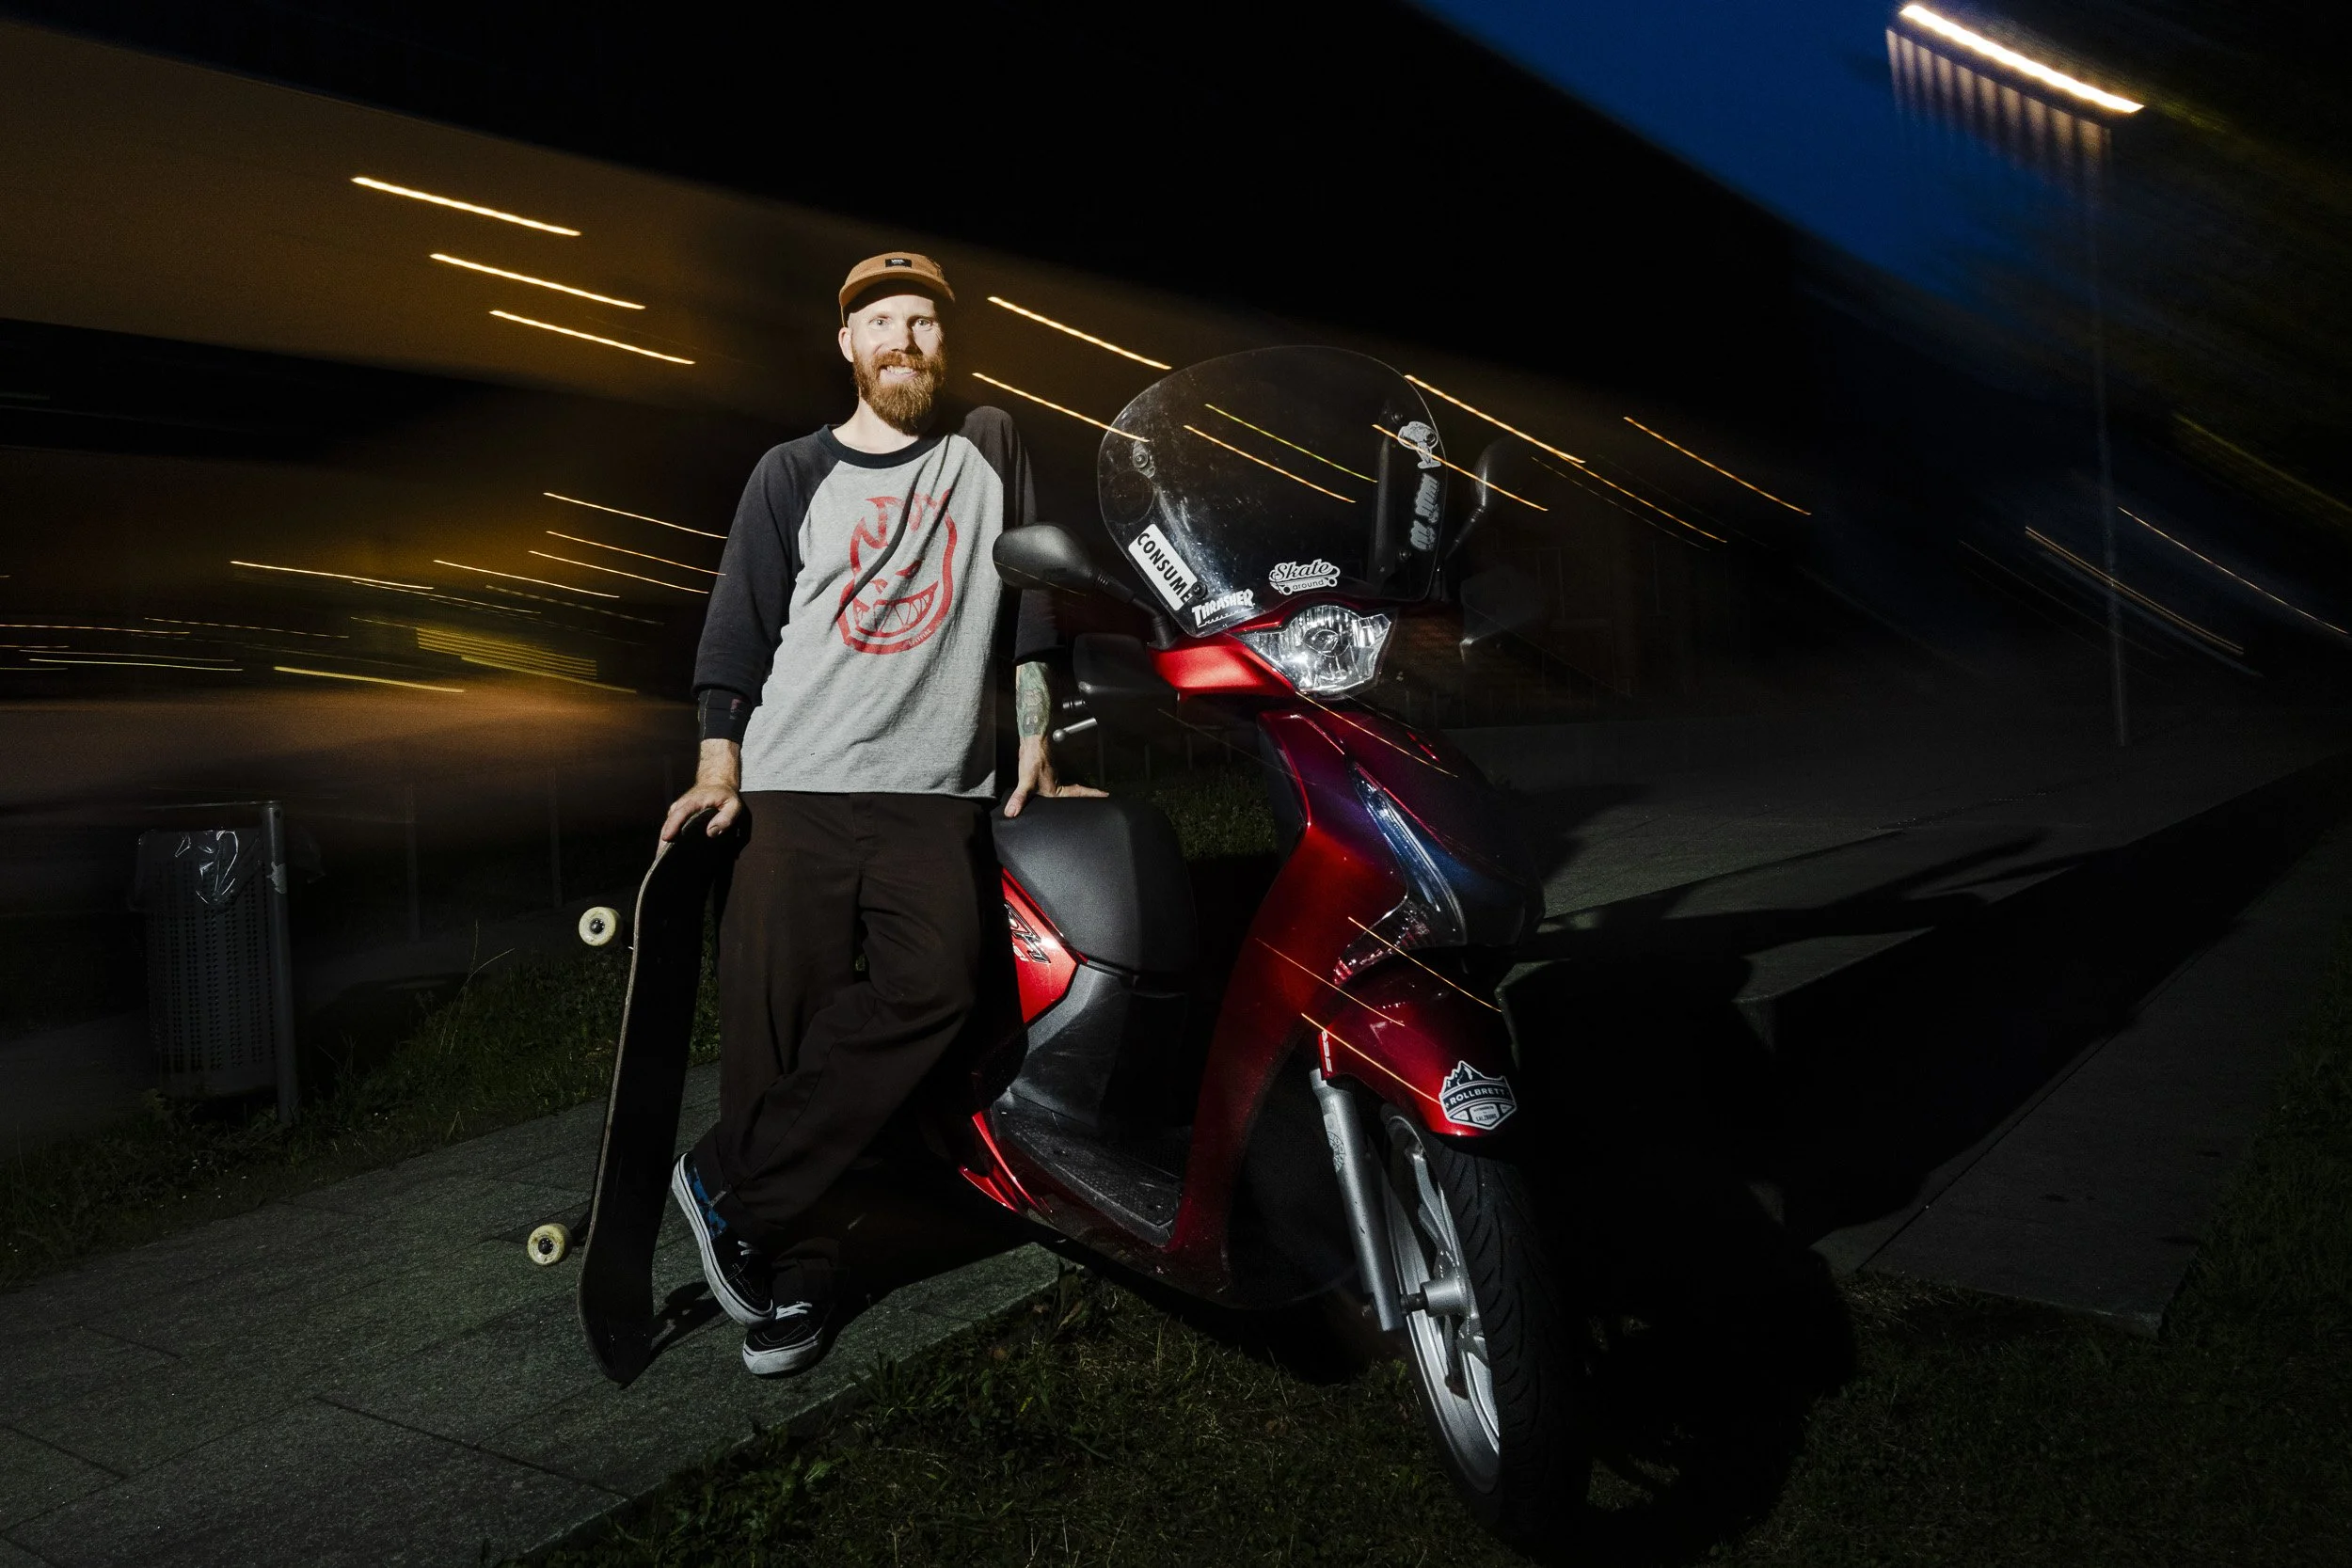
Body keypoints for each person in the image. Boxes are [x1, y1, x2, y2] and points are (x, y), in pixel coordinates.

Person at [658, 251, 1099, 1377]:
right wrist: (718, 765)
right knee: (778, 1033)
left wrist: (1036, 742)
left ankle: (729, 1178)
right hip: (790, 786)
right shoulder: (791, 471)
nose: (905, 339)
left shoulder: (987, 445)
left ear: (943, 345)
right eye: (882, 322)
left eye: (924, 323)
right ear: (848, 345)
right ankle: (794, 1273)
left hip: (930, 792)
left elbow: (1030, 604)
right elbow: (738, 626)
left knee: (936, 984)